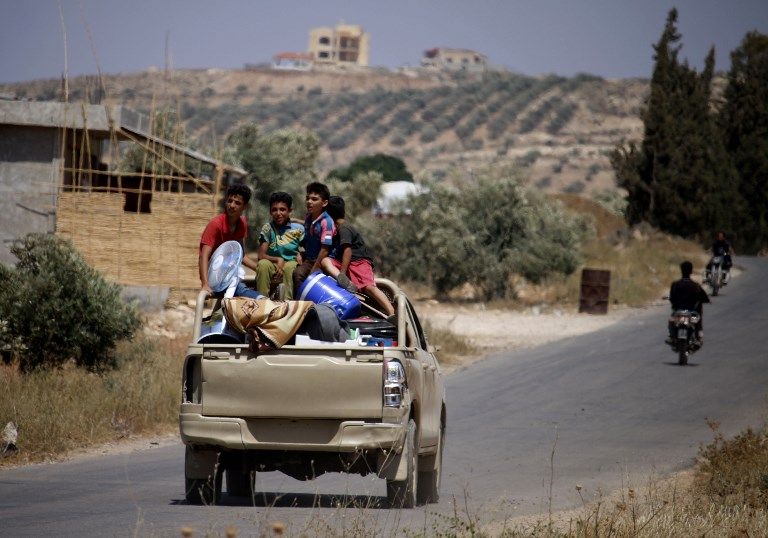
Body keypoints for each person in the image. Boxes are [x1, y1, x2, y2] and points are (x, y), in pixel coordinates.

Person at [321, 195, 396, 318]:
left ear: (328, 214)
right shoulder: (337, 229)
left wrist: (343, 273)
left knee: (369, 287)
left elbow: (348, 250)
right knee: (325, 261)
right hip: (347, 264)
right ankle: (345, 281)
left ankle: (391, 312)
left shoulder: (344, 228)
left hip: (359, 262)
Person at [198, 183, 262, 299]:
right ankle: (262, 300)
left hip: (229, 271)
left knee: (237, 287)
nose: (232, 205)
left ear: (245, 207)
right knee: (239, 288)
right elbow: (203, 256)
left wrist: (260, 270)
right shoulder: (215, 224)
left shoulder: (242, 224)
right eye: (230, 201)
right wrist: (205, 284)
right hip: (214, 274)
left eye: (237, 203)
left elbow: (240, 255)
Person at [255, 191, 305, 300]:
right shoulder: (267, 228)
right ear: (270, 211)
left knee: (291, 267)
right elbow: (261, 255)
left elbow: (306, 248)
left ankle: (287, 303)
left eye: (282, 209)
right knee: (263, 264)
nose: (278, 213)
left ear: (289, 211)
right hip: (273, 264)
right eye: (274, 210)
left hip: (291, 262)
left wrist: (301, 253)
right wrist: (278, 259)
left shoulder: (298, 229)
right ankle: (262, 302)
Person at [292, 182, 335, 293]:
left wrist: (315, 268)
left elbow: (325, 249)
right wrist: (299, 252)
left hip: (322, 261)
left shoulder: (327, 222)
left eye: (314, 199)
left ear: (324, 203)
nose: (309, 202)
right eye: (308, 198)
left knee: (311, 280)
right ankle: (301, 304)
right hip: (309, 259)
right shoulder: (308, 218)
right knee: (297, 273)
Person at [667, 260, 709, 345]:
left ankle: (671, 336)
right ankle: (698, 333)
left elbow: (672, 298)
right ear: (691, 271)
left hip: (678, 312)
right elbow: (704, 298)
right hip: (691, 313)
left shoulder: (675, 284)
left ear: (681, 270)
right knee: (698, 315)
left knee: (671, 320)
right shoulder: (695, 285)